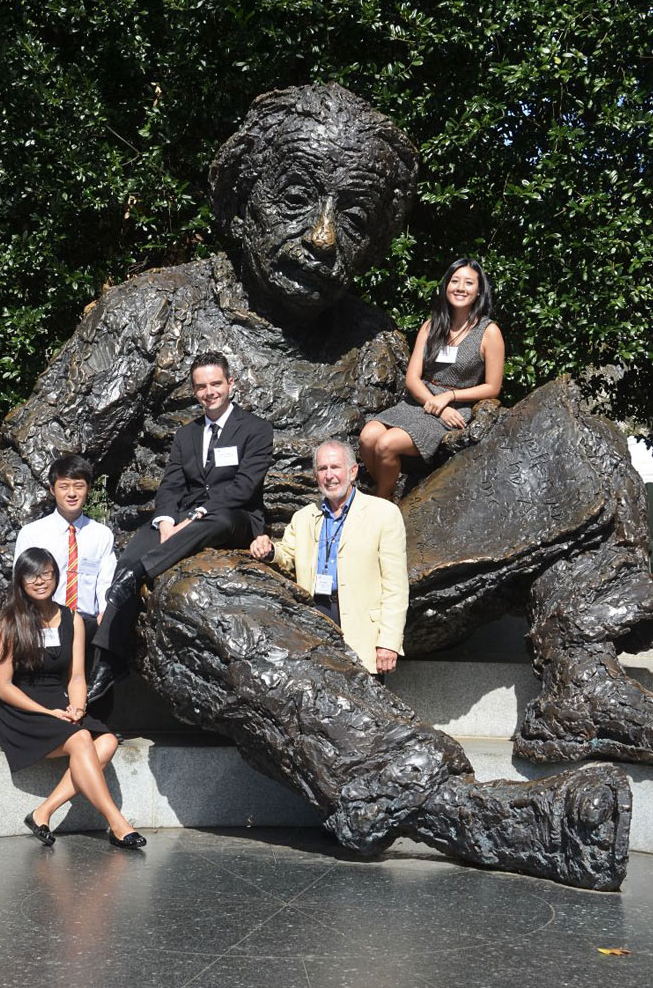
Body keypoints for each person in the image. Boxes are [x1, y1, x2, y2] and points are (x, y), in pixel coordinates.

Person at [87, 349, 274, 702]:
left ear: (230, 384)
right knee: (132, 551)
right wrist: (166, 521)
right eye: (201, 386)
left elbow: (244, 487)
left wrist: (195, 516)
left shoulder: (255, 429)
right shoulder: (185, 435)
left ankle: (142, 571)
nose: (209, 392)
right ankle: (107, 661)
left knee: (216, 518)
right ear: (194, 391)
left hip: (232, 517)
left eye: (216, 383)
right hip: (186, 518)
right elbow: (171, 485)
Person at [0, 547, 146, 849]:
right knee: (81, 740)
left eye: (46, 573)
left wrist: (77, 707)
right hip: (20, 709)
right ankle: (117, 823)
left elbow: (76, 676)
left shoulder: (71, 619)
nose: (40, 581)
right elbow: (2, 686)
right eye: (32, 575)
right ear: (20, 581)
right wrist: (48, 713)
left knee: (108, 740)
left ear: (56, 576)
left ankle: (43, 812)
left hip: (58, 703)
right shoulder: (10, 621)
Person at [250, 440, 408, 675]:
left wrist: (388, 642)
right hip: (316, 620)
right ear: (316, 475)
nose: (329, 475)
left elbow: (396, 586)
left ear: (353, 472)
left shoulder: (384, 513)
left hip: (363, 629)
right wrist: (270, 550)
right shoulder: (304, 517)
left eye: (336, 467)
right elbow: (287, 553)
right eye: (323, 469)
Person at [359, 259, 505, 498]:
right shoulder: (431, 325)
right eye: (455, 281)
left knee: (386, 444)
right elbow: (413, 379)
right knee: (368, 437)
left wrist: (450, 397)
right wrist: (434, 404)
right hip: (420, 401)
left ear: (479, 291)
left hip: (454, 408)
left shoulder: (489, 332)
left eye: (468, 283)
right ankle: (389, 491)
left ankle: (382, 501)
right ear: (446, 285)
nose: (460, 288)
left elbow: (492, 387)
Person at [14, 454, 116, 715]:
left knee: (104, 637)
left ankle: (95, 720)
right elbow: (21, 580)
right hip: (45, 618)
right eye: (64, 486)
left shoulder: (101, 534)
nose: (72, 493)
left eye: (79, 486)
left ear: (88, 489)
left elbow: (106, 580)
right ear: (52, 490)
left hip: (86, 622)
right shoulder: (33, 533)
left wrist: (106, 610)